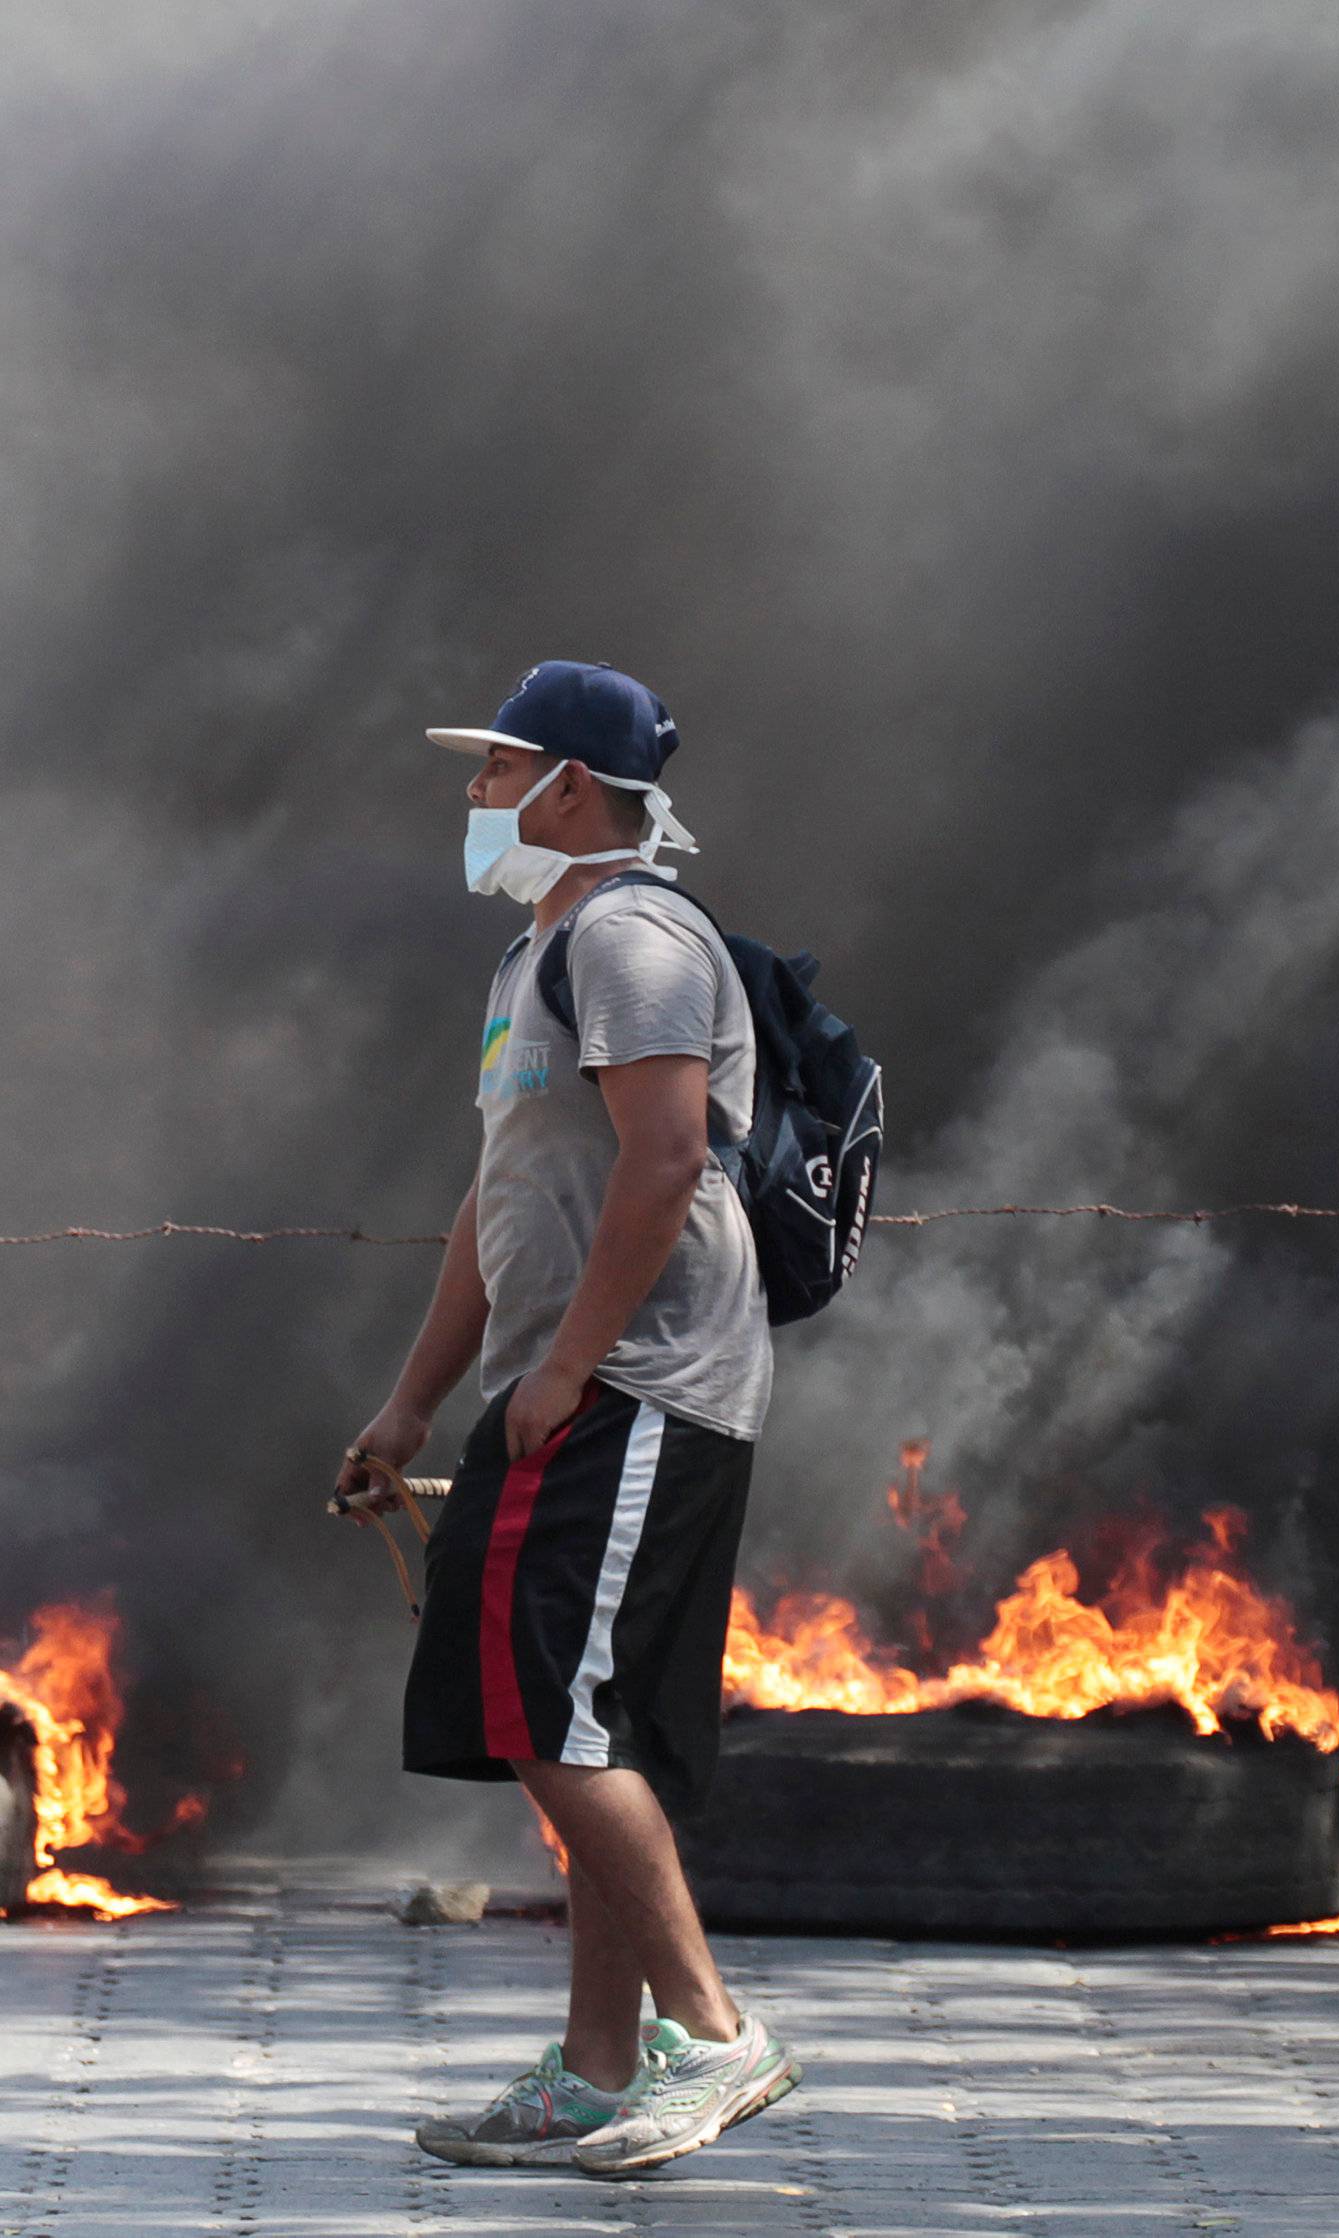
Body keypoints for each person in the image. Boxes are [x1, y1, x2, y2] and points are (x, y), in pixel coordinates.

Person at [335, 659, 794, 2178]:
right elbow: (498, 1195)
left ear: (570, 790)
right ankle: (601, 2070)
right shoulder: (536, 959)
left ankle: (716, 2035)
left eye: (495, 770)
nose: (475, 797)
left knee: (546, 1713)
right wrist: (412, 1404)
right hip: (575, 1389)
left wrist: (566, 1368)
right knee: (587, 1721)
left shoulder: (633, 934)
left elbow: (663, 1163)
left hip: (636, 1385)